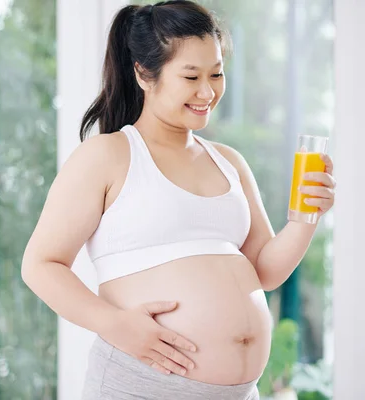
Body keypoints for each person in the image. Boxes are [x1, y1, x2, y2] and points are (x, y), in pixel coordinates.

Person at [21, 1, 336, 399]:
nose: (208, 91)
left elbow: (265, 272)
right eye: (191, 76)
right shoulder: (108, 155)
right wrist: (113, 324)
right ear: (143, 73)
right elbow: (40, 265)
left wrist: (306, 218)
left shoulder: (229, 162)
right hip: (144, 385)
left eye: (217, 74)